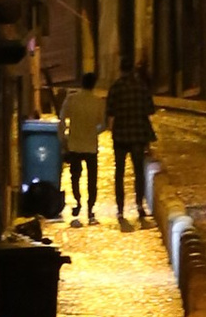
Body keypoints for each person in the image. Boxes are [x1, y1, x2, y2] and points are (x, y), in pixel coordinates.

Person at [105, 57, 155, 226]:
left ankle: (120, 208)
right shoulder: (141, 87)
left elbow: (110, 113)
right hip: (138, 135)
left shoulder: (116, 88)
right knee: (138, 172)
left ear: (120, 70)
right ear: (132, 70)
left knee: (119, 173)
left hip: (120, 136)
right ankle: (139, 205)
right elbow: (150, 109)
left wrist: (112, 128)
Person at [60, 75, 105, 222]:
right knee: (92, 180)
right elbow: (103, 124)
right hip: (91, 146)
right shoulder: (98, 102)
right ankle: (91, 210)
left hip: (74, 145)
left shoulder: (72, 100)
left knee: (75, 177)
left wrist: (63, 139)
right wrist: (94, 132)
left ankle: (78, 202)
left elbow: (61, 121)